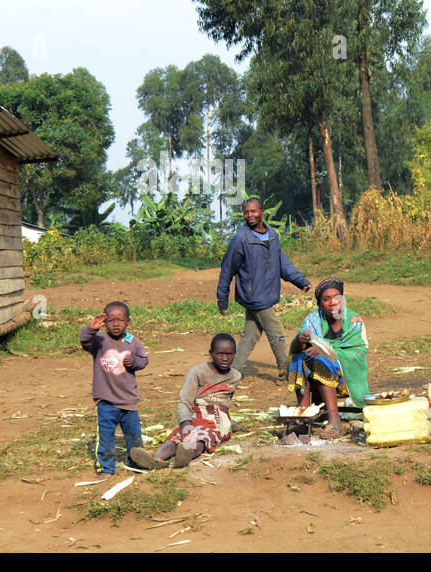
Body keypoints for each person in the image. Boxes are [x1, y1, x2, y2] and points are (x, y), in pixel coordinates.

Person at [216, 196, 311, 378]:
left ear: (262, 212)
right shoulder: (241, 239)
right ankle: (288, 372)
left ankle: (231, 373)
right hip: (254, 296)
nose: (249, 215)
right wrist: (222, 299)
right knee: (277, 333)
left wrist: (301, 281)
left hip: (266, 294)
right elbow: (227, 269)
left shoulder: (272, 236)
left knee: (250, 336)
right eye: (245, 212)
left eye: (253, 211)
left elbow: (282, 263)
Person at [131, 334, 242, 470]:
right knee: (179, 435)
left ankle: (186, 455)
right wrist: (185, 421)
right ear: (211, 353)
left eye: (229, 354)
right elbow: (185, 401)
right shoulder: (197, 372)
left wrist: (231, 423)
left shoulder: (235, 376)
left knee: (203, 437)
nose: (225, 358)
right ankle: (156, 458)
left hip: (217, 421)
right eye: (220, 354)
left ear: (235, 354)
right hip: (196, 415)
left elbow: (226, 404)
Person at [285, 278, 369, 439]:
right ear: (320, 304)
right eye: (326, 299)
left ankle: (334, 420)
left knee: (322, 361)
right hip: (313, 372)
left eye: (337, 297)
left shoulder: (354, 321)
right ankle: (304, 418)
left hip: (346, 374)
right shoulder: (312, 320)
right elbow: (296, 349)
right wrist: (299, 340)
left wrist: (326, 352)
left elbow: (358, 352)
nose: (332, 303)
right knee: (296, 360)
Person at [80, 301, 148, 475]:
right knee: (105, 438)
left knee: (134, 436)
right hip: (106, 401)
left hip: (129, 401)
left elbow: (144, 360)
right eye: (111, 320)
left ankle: (136, 462)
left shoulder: (132, 341)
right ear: (104, 321)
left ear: (128, 322)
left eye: (120, 320)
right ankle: (106, 467)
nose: (116, 324)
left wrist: (135, 362)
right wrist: (91, 329)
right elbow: (84, 341)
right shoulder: (100, 340)